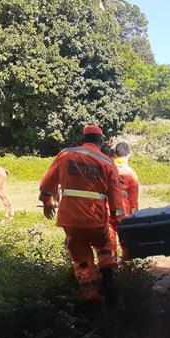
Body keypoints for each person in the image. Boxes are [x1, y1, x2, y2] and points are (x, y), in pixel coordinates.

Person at [39, 125, 125, 304]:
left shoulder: (65, 155)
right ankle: (108, 276)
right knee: (105, 244)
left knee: (80, 257)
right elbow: (116, 198)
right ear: (101, 141)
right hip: (95, 219)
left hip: (70, 219)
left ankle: (90, 297)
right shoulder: (108, 162)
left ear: (83, 139)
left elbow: (48, 181)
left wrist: (46, 200)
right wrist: (119, 221)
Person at [109, 142, 140, 261]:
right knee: (125, 241)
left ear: (115, 154)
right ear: (129, 154)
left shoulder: (106, 167)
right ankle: (126, 270)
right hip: (123, 211)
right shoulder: (130, 173)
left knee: (109, 242)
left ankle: (110, 269)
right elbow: (134, 198)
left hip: (106, 209)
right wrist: (134, 215)